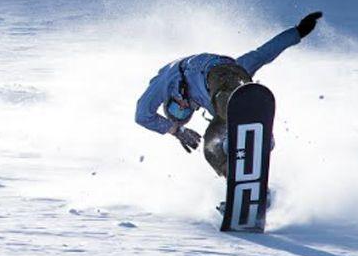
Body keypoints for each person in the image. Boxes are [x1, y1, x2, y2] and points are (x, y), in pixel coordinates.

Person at [134, 12, 323, 176]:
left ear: (169, 99)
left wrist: (175, 129)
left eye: (176, 107)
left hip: (217, 75)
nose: (183, 106)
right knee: (210, 147)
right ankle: (238, 179)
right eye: (184, 112)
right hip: (232, 88)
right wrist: (296, 33)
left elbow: (142, 115)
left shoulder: (169, 78)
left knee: (225, 100)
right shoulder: (205, 99)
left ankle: (253, 130)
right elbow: (262, 55)